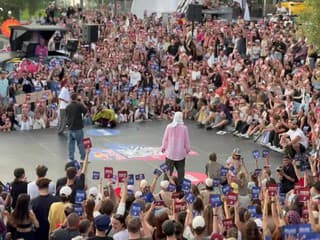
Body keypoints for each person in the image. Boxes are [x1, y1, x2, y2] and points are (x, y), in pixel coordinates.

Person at [161, 111, 191, 187]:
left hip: (170, 153)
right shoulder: (184, 128)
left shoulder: (169, 127)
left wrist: (163, 147)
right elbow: (186, 140)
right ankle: (181, 187)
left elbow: (165, 138)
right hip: (180, 154)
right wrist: (188, 149)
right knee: (181, 171)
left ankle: (165, 186)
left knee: (168, 171)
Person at [66, 93, 87, 161]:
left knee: (71, 144)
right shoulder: (79, 105)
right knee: (80, 143)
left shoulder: (68, 106)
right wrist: (81, 102)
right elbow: (86, 110)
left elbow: (67, 116)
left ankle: (71, 158)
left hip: (70, 128)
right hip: (78, 128)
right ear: (76, 98)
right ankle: (83, 158)